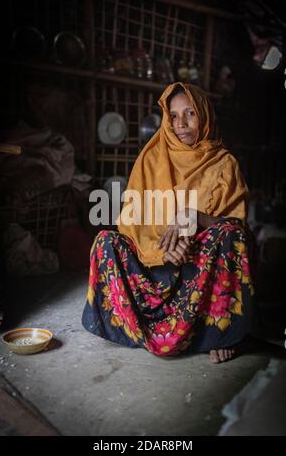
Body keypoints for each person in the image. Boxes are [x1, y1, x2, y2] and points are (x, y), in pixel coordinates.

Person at [82, 82, 256, 364]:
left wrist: (195, 216)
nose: (181, 124)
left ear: (204, 115)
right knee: (106, 240)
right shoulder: (150, 159)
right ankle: (140, 325)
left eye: (190, 114)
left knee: (232, 234)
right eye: (173, 116)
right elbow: (132, 222)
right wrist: (161, 251)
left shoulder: (225, 164)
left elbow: (237, 228)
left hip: (198, 274)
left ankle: (218, 332)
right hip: (153, 268)